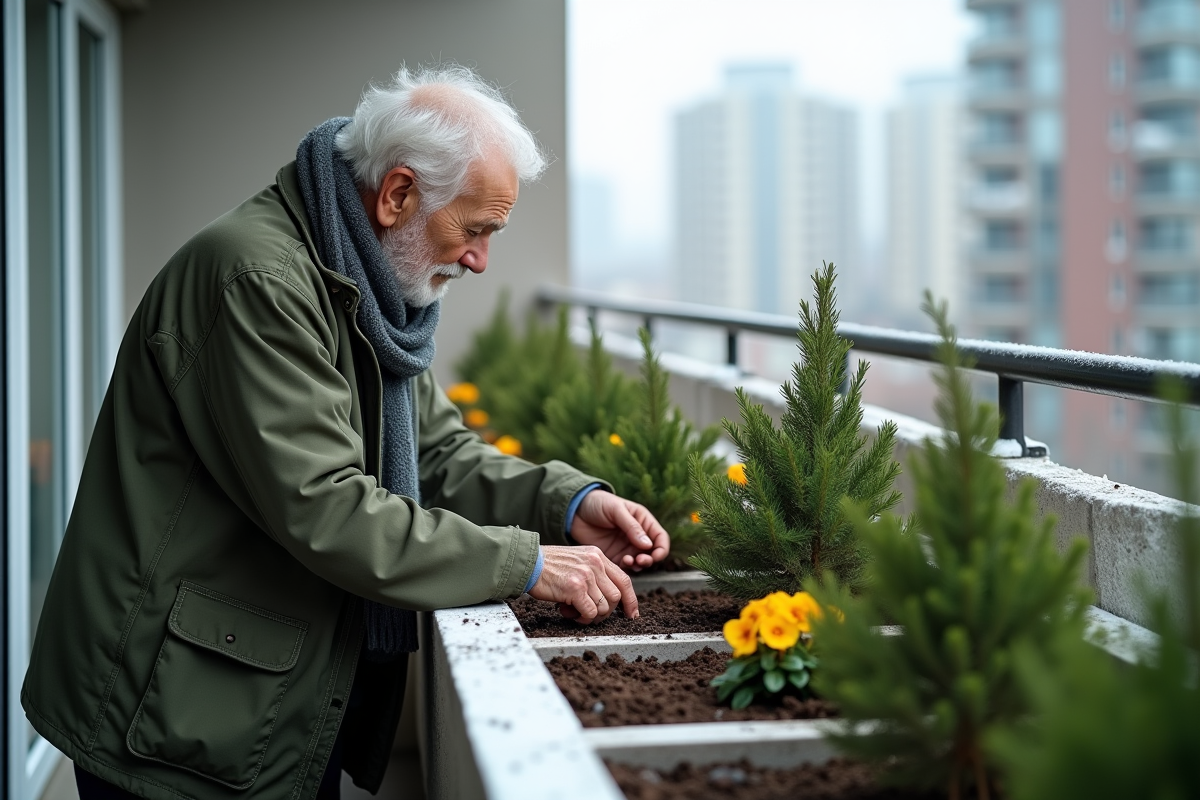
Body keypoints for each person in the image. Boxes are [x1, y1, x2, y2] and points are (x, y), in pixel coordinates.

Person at [22, 64, 670, 800]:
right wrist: (527, 563)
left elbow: (434, 450)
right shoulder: (260, 281)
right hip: (175, 713)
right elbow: (325, 506)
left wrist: (566, 502)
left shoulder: (359, 283)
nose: (480, 260)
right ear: (396, 195)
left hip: (248, 693)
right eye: (475, 228)